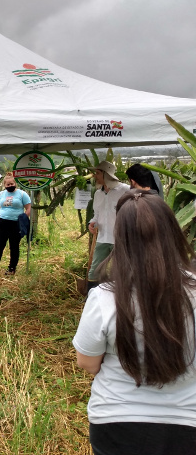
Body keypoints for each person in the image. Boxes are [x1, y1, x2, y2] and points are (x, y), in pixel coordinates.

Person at [73, 191, 196, 454]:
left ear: (121, 239)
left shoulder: (104, 297)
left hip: (117, 421)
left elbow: (87, 362)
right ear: (174, 232)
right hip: (187, 422)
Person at [87, 161, 130, 290]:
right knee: (95, 269)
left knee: (122, 269)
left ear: (107, 174)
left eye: (98, 173)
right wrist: (92, 223)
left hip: (121, 238)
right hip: (103, 238)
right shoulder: (97, 193)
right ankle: (91, 295)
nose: (95, 176)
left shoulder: (125, 190)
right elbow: (97, 214)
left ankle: (123, 294)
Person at [0, 174, 31, 275]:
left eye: (12, 183)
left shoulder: (22, 194)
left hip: (16, 224)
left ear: (15, 184)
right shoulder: (1, 194)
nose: (10, 185)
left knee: (14, 246)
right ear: (4, 185)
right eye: (8, 184)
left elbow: (28, 208)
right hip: (2, 223)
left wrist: (24, 219)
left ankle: (12, 268)